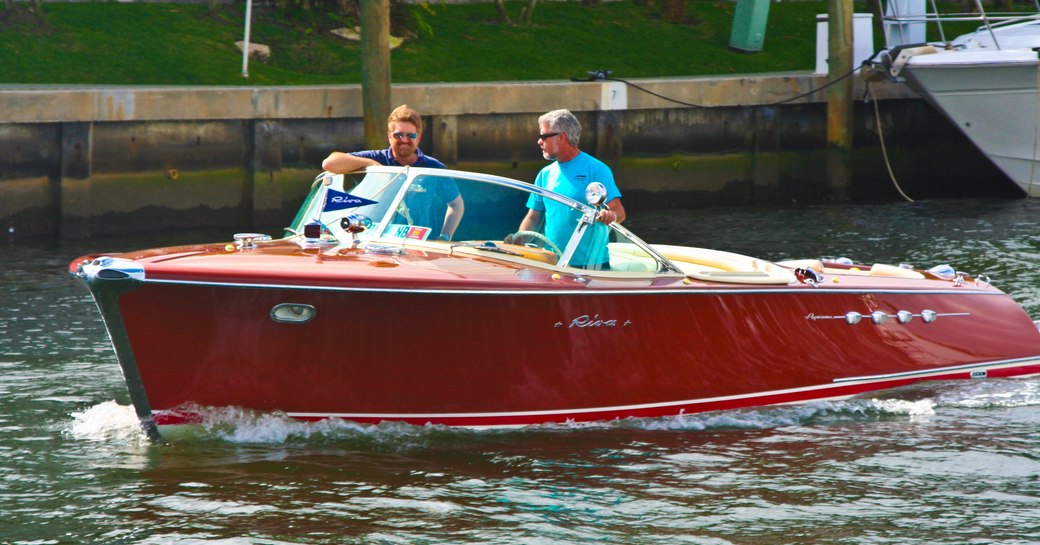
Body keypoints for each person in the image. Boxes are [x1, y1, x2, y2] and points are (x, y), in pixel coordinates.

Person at [321, 104, 463, 241]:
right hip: (377, 242)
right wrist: (371, 165)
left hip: (421, 244)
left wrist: (445, 236)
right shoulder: (375, 157)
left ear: (418, 137)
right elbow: (329, 163)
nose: (404, 140)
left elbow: (456, 205)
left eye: (410, 136)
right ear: (389, 137)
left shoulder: (434, 168)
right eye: (398, 135)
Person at [506, 109, 626, 268]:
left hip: (592, 266)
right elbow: (533, 217)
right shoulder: (544, 174)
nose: (539, 142)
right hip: (552, 264)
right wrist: (519, 238)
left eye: (543, 136)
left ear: (561, 137)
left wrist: (609, 215)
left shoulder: (597, 169)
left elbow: (619, 212)